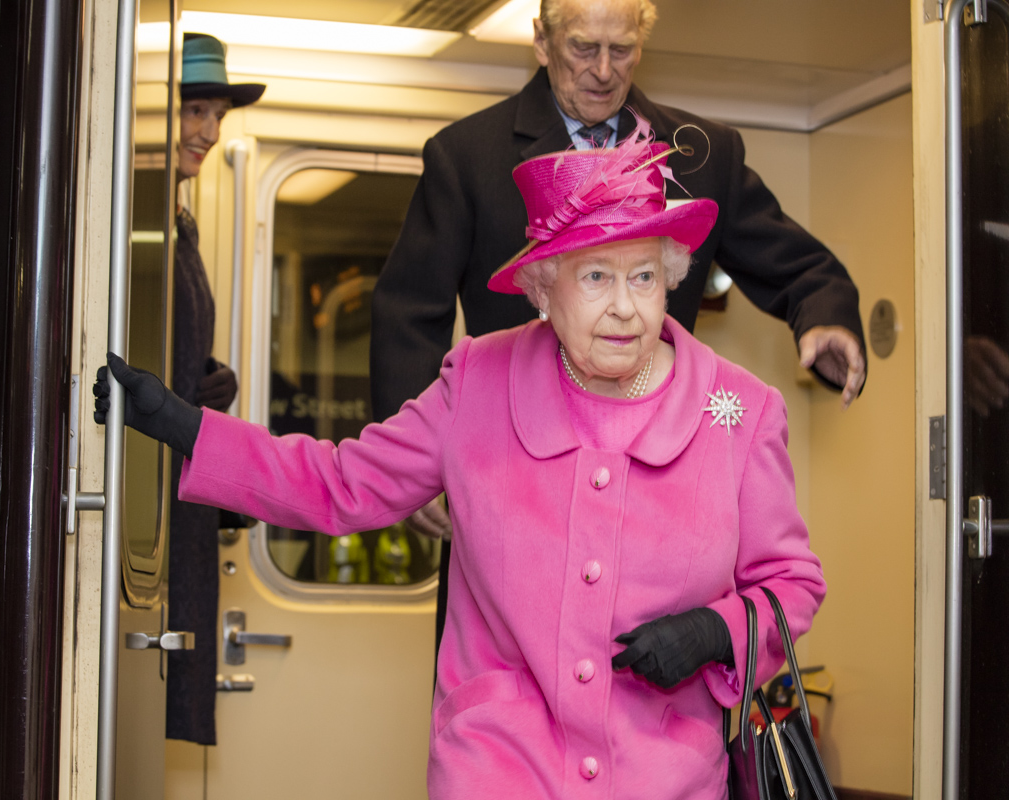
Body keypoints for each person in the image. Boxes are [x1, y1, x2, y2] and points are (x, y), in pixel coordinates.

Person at [94, 129, 826, 798]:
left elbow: (791, 585)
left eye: (644, 277)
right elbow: (342, 484)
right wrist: (187, 428)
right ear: (544, 288)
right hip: (494, 772)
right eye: (596, 277)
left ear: (672, 280)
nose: (626, 308)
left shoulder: (740, 411)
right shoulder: (478, 381)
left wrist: (716, 632)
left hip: (668, 780)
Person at [370, 0, 864, 649]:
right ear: (542, 42)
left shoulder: (702, 154)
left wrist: (823, 316)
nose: (603, 71)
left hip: (656, 482)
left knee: (653, 683)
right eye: (582, 48)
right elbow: (410, 308)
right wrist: (419, 466)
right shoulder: (468, 156)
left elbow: (793, 261)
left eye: (622, 50)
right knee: (501, 684)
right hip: (513, 474)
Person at [164, 33, 264, 746]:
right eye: (193, 109)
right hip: (157, 492)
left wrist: (204, 380)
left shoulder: (179, 226)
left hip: (182, 474)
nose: (207, 130)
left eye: (216, 113)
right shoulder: (142, 225)